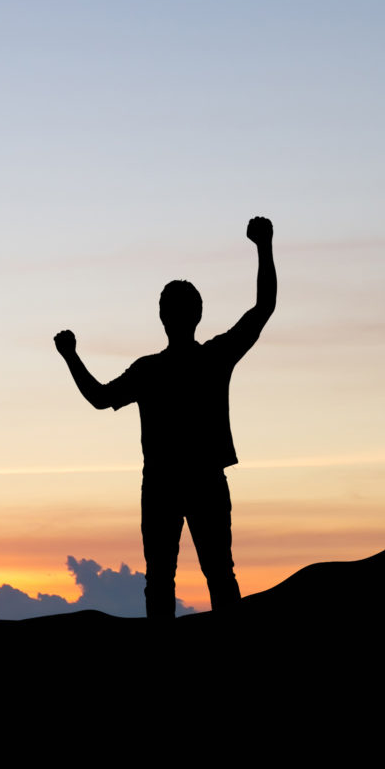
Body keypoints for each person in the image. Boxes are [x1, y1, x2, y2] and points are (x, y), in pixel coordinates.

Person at [55, 216, 278, 618]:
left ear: (164, 316)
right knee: (212, 575)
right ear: (196, 315)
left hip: (166, 482)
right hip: (195, 479)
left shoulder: (154, 370)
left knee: (166, 577)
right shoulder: (209, 359)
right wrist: (264, 245)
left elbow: (100, 399)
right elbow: (263, 308)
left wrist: (71, 357)